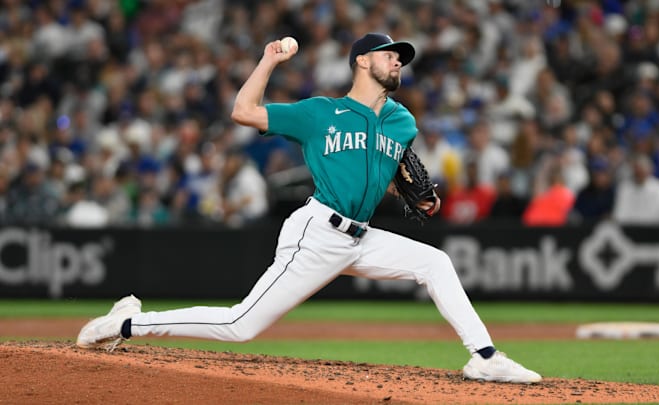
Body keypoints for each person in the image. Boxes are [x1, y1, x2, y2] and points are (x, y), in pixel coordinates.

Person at [76, 33, 541, 384]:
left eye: (401, 57)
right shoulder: (320, 112)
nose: (397, 60)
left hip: (362, 237)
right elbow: (243, 110)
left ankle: (484, 358)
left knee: (435, 262)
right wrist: (268, 60)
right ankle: (126, 322)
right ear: (362, 60)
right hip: (317, 234)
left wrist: (416, 195)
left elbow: (393, 176)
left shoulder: (402, 121)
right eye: (388, 53)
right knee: (241, 325)